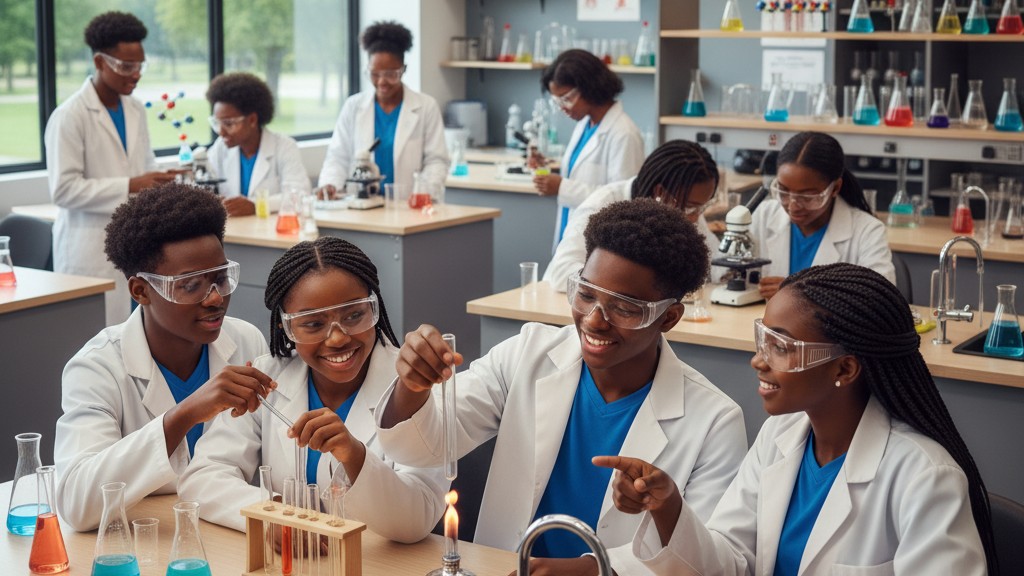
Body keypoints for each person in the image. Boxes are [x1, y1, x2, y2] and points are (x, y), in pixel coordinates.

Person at [377, 200, 747, 575]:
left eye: (624, 308)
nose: (594, 321)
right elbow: (423, 447)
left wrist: (595, 569)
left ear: (668, 317)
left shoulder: (714, 420)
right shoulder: (528, 353)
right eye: (586, 294)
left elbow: (715, 564)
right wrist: (413, 386)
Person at [597, 263, 997, 576]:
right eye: (763, 339)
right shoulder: (779, 436)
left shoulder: (923, 476)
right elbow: (732, 564)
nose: (758, 360)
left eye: (781, 348)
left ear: (844, 369)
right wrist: (668, 507)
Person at [180, 236, 447, 542]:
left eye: (354, 315)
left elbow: (417, 519)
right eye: (312, 325)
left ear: (374, 308)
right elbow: (203, 477)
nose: (337, 339)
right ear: (286, 327)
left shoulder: (418, 386)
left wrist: (354, 455)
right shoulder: (267, 377)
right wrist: (277, 517)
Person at [54, 184, 271, 531]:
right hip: (147, 540)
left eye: (219, 278)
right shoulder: (97, 367)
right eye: (191, 285)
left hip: (229, 527)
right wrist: (184, 415)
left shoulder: (246, 340)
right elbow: (78, 504)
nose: (215, 298)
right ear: (141, 291)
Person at [44, 11, 179, 325]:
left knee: (136, 339)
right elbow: (64, 190)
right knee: (94, 347)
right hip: (89, 251)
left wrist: (159, 178)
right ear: (100, 62)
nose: (135, 74)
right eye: (126, 66)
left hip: (135, 247)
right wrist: (131, 185)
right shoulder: (70, 116)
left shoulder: (134, 109)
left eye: (140, 65)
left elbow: (144, 164)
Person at [543, 140, 722, 291]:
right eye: (691, 208)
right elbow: (561, 272)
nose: (696, 217)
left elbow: (714, 261)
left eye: (702, 207)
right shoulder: (603, 205)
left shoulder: (680, 208)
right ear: (660, 192)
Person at [751, 131, 895, 301]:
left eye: (807, 196)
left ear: (834, 188)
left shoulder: (867, 231)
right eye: (783, 191)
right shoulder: (765, 214)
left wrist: (802, 295)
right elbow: (721, 274)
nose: (793, 205)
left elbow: (882, 300)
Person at [316, 21, 448, 198]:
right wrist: (330, 184)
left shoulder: (426, 107)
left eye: (390, 74)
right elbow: (337, 157)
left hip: (409, 206)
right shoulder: (353, 106)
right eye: (374, 74)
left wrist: (423, 192)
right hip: (363, 205)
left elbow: (436, 161)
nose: (381, 82)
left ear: (403, 70)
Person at [529, 49, 644, 247]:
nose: (562, 107)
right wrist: (549, 169)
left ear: (590, 87)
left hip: (599, 244)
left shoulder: (624, 133)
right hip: (572, 232)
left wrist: (561, 187)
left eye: (566, 98)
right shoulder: (586, 124)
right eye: (557, 101)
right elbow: (582, 173)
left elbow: (624, 202)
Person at [205, 72, 311, 216]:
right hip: (232, 232)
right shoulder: (220, 147)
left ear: (252, 120)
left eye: (228, 124)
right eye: (216, 123)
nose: (221, 132)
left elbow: (299, 194)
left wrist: (256, 205)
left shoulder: (284, 147)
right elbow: (204, 190)